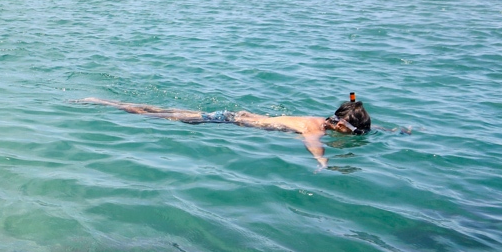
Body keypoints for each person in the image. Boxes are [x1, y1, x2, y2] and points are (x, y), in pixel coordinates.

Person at [83, 94, 371, 168]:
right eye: (346, 128)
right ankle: (104, 103)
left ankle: (109, 102)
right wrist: (321, 161)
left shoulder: (318, 119)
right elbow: (312, 142)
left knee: (162, 111)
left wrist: (393, 129)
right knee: (163, 116)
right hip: (228, 121)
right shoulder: (314, 128)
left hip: (232, 117)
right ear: (339, 125)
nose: (343, 131)